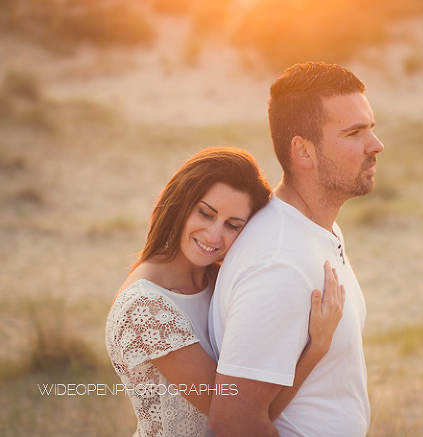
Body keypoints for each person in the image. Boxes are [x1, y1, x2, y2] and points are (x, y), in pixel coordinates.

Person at [105, 147, 346, 437]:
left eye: (233, 225)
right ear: (181, 204)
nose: (214, 236)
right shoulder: (146, 308)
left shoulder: (216, 278)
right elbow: (239, 418)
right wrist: (317, 347)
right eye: (206, 214)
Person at [208, 62, 384, 436]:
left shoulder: (317, 227)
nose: (375, 145)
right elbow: (234, 422)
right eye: (354, 133)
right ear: (304, 152)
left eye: (371, 128)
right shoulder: (278, 265)